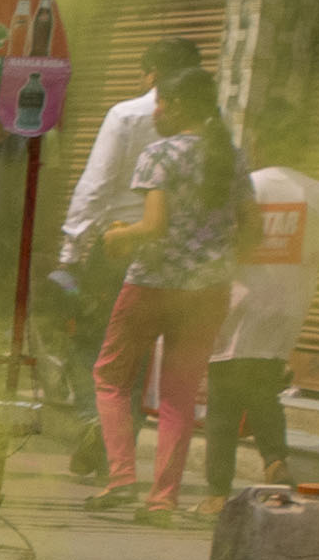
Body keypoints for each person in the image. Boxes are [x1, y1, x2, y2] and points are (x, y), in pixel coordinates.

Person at [61, 41, 242, 518]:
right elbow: (254, 230)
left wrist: (121, 236)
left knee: (111, 377)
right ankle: (163, 499)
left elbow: (154, 226)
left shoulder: (160, 155)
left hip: (153, 283)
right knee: (179, 393)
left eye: (161, 101)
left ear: (179, 105)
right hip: (209, 290)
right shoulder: (232, 158)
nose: (155, 110)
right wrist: (215, 261)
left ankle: (120, 477)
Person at [201, 118, 319, 496]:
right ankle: (275, 460)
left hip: (238, 304)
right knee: (263, 388)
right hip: (286, 309)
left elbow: (220, 241)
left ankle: (216, 493)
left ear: (259, 144)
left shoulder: (248, 186)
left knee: (223, 401)